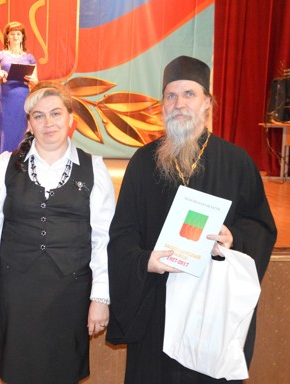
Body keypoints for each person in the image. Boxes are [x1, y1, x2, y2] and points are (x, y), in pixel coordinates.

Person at [106, 56, 278, 383]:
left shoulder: (236, 162)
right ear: (162, 104)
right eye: (171, 96)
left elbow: (260, 226)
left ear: (207, 103)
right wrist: (144, 261)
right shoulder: (143, 162)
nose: (179, 104)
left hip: (210, 308)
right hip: (156, 303)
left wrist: (233, 238)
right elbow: (123, 233)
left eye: (189, 94)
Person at [0, 81, 115, 383]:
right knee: (18, 370)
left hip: (70, 292)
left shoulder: (94, 168)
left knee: (63, 371)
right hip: (18, 291)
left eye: (56, 113)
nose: (48, 122)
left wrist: (101, 297)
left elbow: (103, 238)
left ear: (70, 119)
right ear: (29, 123)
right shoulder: (4, 166)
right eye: (39, 115)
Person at [0, 21, 38, 168]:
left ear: (22, 37)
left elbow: (36, 82)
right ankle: (1, 165)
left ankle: (19, 164)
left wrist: (32, 80)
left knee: (21, 129)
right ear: (7, 37)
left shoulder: (29, 58)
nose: (15, 37)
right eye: (12, 34)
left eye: (18, 34)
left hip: (22, 97)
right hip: (4, 97)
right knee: (4, 129)